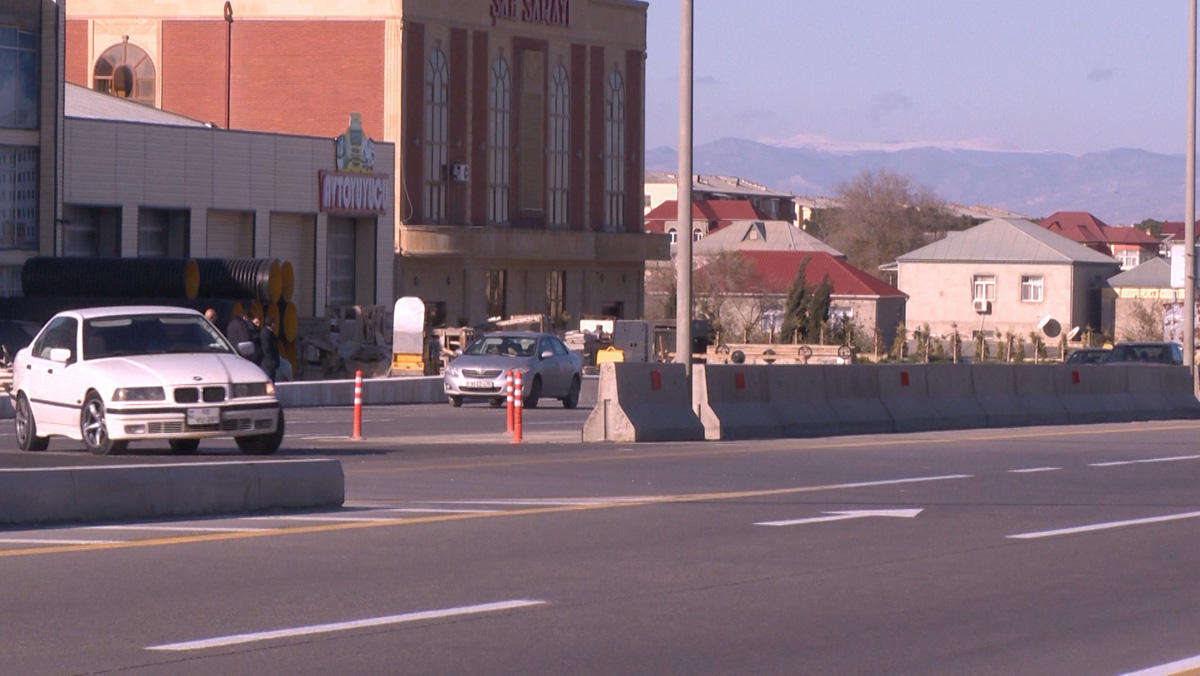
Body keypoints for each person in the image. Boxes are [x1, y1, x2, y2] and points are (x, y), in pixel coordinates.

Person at [258, 315, 280, 381]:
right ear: (272, 323)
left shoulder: (270, 333)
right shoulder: (266, 333)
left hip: (271, 362)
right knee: (269, 379)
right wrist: (272, 361)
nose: (275, 325)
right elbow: (266, 348)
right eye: (274, 323)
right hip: (268, 362)